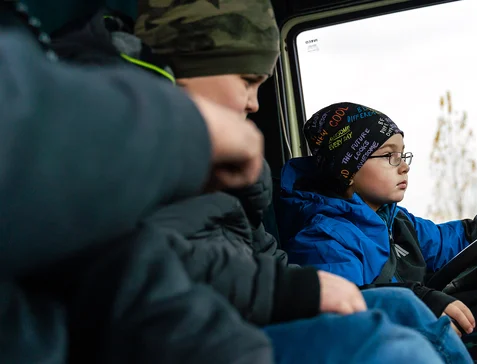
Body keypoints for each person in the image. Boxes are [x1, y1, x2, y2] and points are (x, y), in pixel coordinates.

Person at [129, 1, 472, 363]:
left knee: (403, 304)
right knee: (394, 348)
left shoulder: (393, 221)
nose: (254, 104)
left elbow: (264, 261)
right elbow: (160, 266)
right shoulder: (325, 235)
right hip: (203, 331)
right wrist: (295, 289)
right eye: (248, 82)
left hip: (246, 305)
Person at [0, 2, 273, 363]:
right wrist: (281, 290)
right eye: (248, 81)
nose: (255, 104)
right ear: (192, 65)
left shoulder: (189, 156)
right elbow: (141, 258)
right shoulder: (126, 145)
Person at [278, 102, 477, 336]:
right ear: (348, 169)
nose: (403, 167)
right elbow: (346, 309)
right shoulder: (323, 238)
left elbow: (453, 241)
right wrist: (420, 300)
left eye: (403, 155)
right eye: (388, 155)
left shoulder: (395, 222)